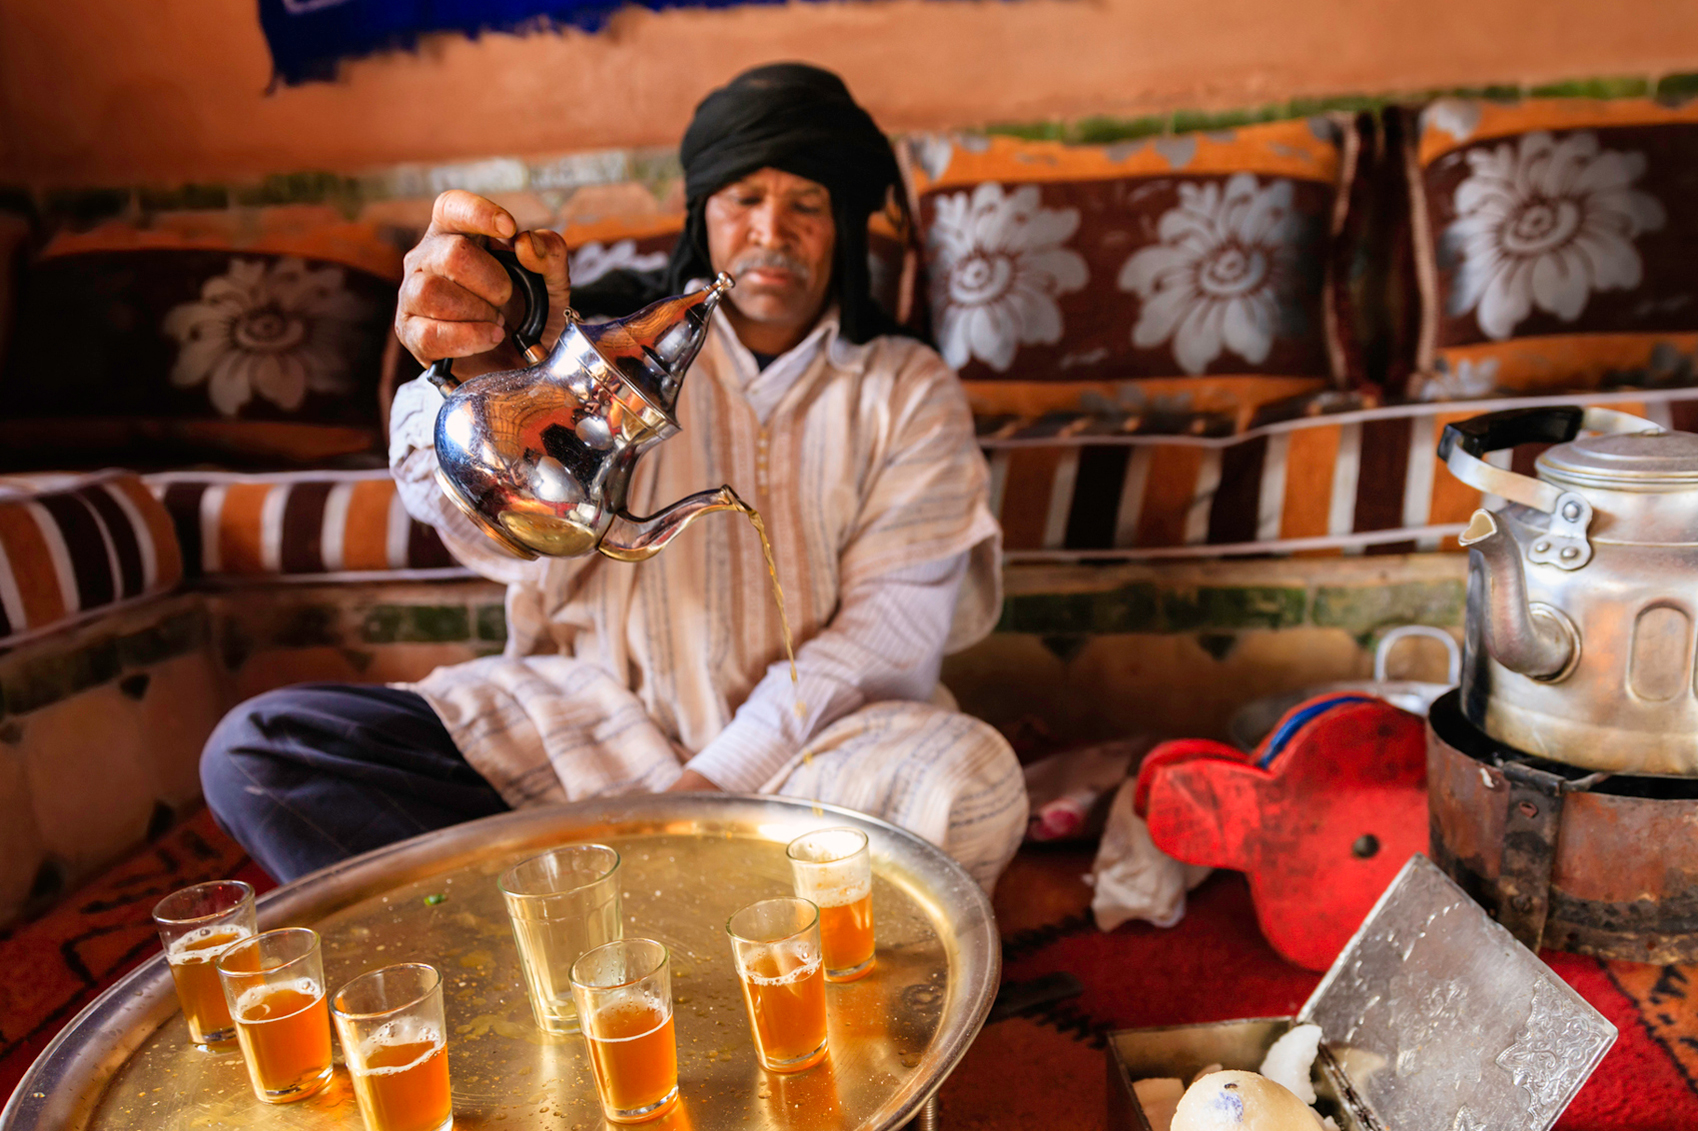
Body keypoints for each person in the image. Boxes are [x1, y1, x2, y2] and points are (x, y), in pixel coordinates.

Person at [200, 63, 1028, 891]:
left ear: (844, 223)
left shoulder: (904, 388)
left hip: (805, 760)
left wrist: (698, 797)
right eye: (743, 198)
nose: (772, 229)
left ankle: (576, 918)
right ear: (703, 213)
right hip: (588, 730)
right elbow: (480, 532)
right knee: (261, 753)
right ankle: (682, 919)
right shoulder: (590, 353)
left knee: (970, 785)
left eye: (807, 204)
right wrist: (468, 379)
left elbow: (886, 633)